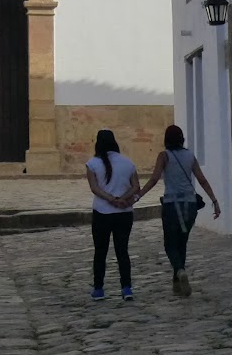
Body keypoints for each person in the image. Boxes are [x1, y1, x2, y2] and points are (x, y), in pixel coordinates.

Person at [134, 124, 220, 297]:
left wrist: (138, 196)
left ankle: (180, 271)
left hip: (172, 205)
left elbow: (154, 179)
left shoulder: (164, 156)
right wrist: (214, 201)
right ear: (182, 139)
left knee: (169, 244)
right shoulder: (190, 156)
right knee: (182, 242)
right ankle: (177, 284)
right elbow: (202, 180)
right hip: (190, 205)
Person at [84, 128, 139, 301]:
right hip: (124, 213)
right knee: (122, 250)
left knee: (100, 251)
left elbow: (94, 188)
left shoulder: (92, 164)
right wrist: (122, 200)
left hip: (102, 212)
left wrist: (111, 199)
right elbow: (136, 186)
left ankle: (99, 288)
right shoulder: (128, 162)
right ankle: (126, 287)